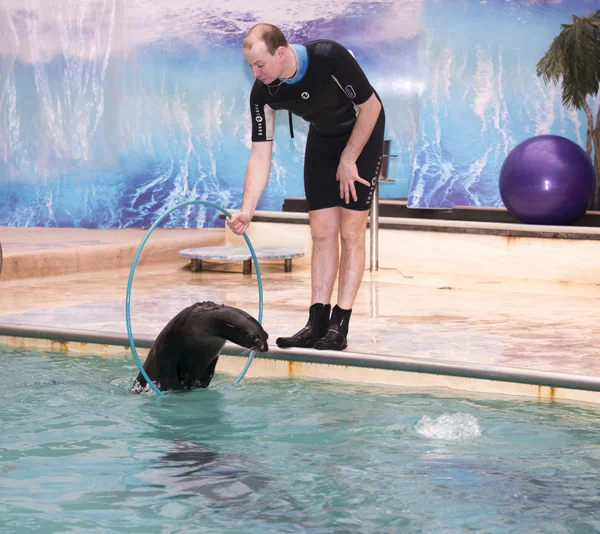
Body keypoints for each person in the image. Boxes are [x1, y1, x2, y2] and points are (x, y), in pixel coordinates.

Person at [227, 23, 385, 351]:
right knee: (321, 233)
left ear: (281, 52)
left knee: (350, 232)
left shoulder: (328, 56)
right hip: (324, 137)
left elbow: (372, 108)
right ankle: (316, 324)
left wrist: (349, 158)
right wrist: (248, 208)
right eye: (250, 67)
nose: (255, 74)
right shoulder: (263, 93)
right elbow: (259, 156)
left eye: (260, 65)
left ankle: (339, 326)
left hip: (362, 135)